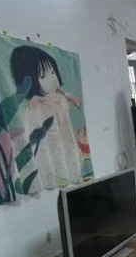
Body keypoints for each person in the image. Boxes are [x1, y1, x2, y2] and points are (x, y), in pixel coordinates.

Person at [9, 46, 86, 190]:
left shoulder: (58, 97)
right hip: (52, 161)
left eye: (52, 72)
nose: (52, 79)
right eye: (43, 77)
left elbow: (71, 102)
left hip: (69, 152)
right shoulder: (36, 107)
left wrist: (67, 96)